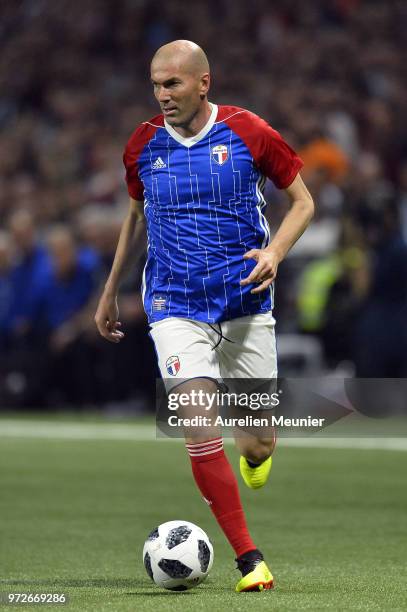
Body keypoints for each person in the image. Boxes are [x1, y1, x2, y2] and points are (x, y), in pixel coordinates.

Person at [95, 40, 314, 592]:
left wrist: (274, 253)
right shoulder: (143, 144)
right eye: (155, 84)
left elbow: (304, 202)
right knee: (197, 422)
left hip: (245, 304)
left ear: (202, 83)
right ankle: (249, 559)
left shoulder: (249, 132)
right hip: (174, 305)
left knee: (257, 443)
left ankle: (256, 452)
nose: (161, 95)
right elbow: (136, 217)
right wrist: (110, 288)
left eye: (172, 84)